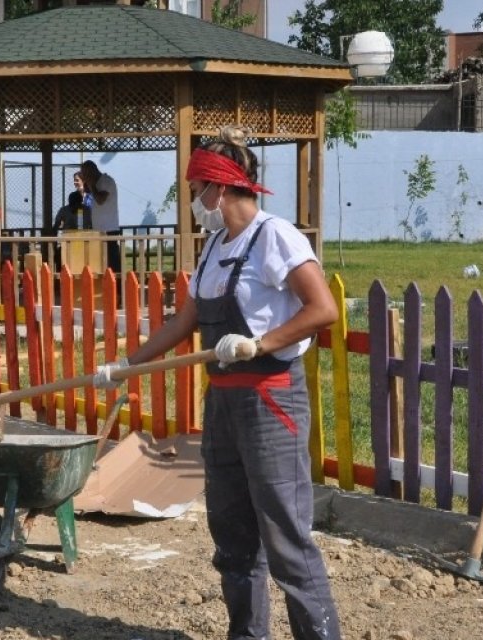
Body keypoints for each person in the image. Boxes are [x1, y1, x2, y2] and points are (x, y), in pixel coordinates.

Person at [93, 125, 341, 640]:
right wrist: (126, 365)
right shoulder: (212, 247)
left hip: (271, 400)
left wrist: (261, 343)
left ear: (219, 189)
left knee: (286, 540)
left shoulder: (275, 236)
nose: (191, 201)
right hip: (224, 405)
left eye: (194, 191)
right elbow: (185, 323)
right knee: (232, 535)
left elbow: (324, 309)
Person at [80, 160, 120, 274]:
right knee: (100, 261)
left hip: (109, 229)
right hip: (98, 229)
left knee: (111, 261)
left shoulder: (106, 181)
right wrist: (88, 185)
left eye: (86, 174)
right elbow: (88, 195)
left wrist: (91, 184)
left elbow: (100, 200)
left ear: (92, 171)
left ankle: (117, 286)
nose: (85, 177)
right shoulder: (96, 183)